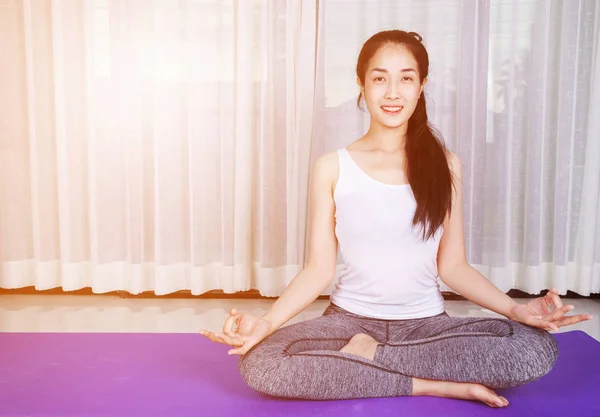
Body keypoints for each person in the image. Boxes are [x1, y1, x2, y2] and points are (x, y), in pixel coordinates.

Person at [200, 30, 593, 408]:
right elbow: (318, 268)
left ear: (422, 85)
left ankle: (372, 360)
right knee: (262, 363)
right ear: (361, 84)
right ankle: (432, 385)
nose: (392, 92)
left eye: (406, 78)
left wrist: (516, 310)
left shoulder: (446, 165)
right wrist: (267, 324)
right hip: (347, 322)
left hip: (425, 326)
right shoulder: (331, 167)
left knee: (532, 349)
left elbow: (453, 266)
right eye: (379, 78)